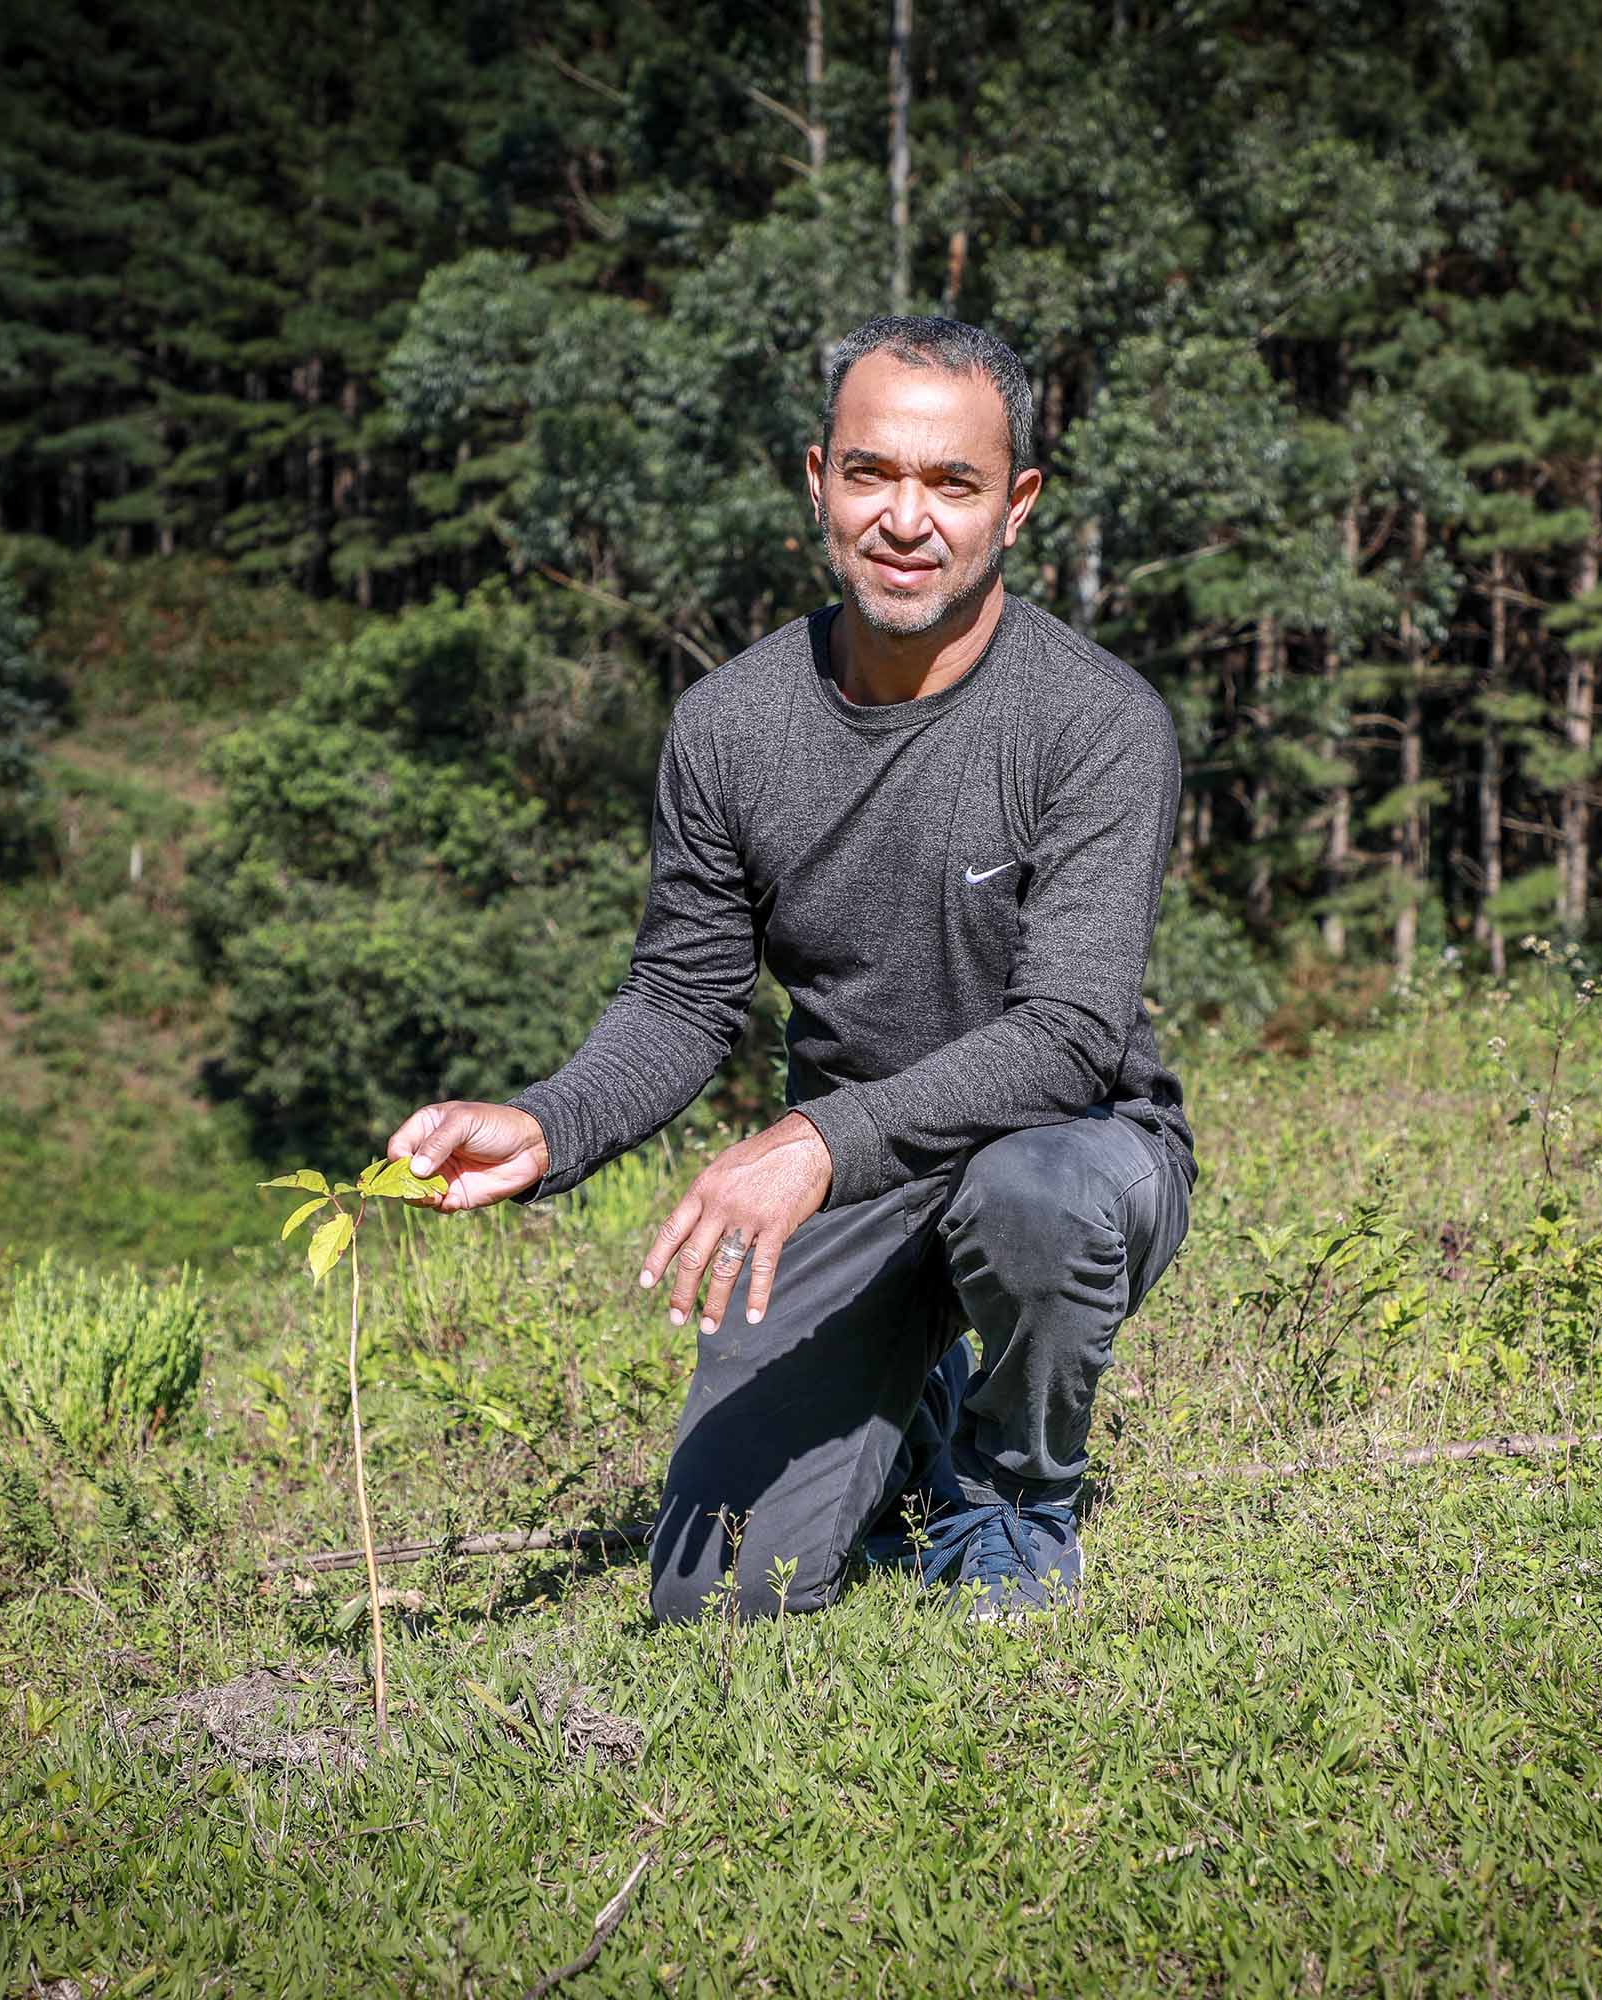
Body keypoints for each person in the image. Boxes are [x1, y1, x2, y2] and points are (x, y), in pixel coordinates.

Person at [386, 315, 1193, 1621]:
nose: (906, 519)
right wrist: (546, 1124)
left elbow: (1067, 1035)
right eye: (873, 473)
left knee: (1032, 1201)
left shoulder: (1096, 722)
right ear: (816, 479)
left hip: (1074, 1146)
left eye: (953, 483)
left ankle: (1013, 1502)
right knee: (719, 1595)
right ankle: (911, 1405)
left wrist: (811, 1142)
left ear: (1019, 504)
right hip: (861, 1184)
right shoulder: (729, 727)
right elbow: (681, 999)